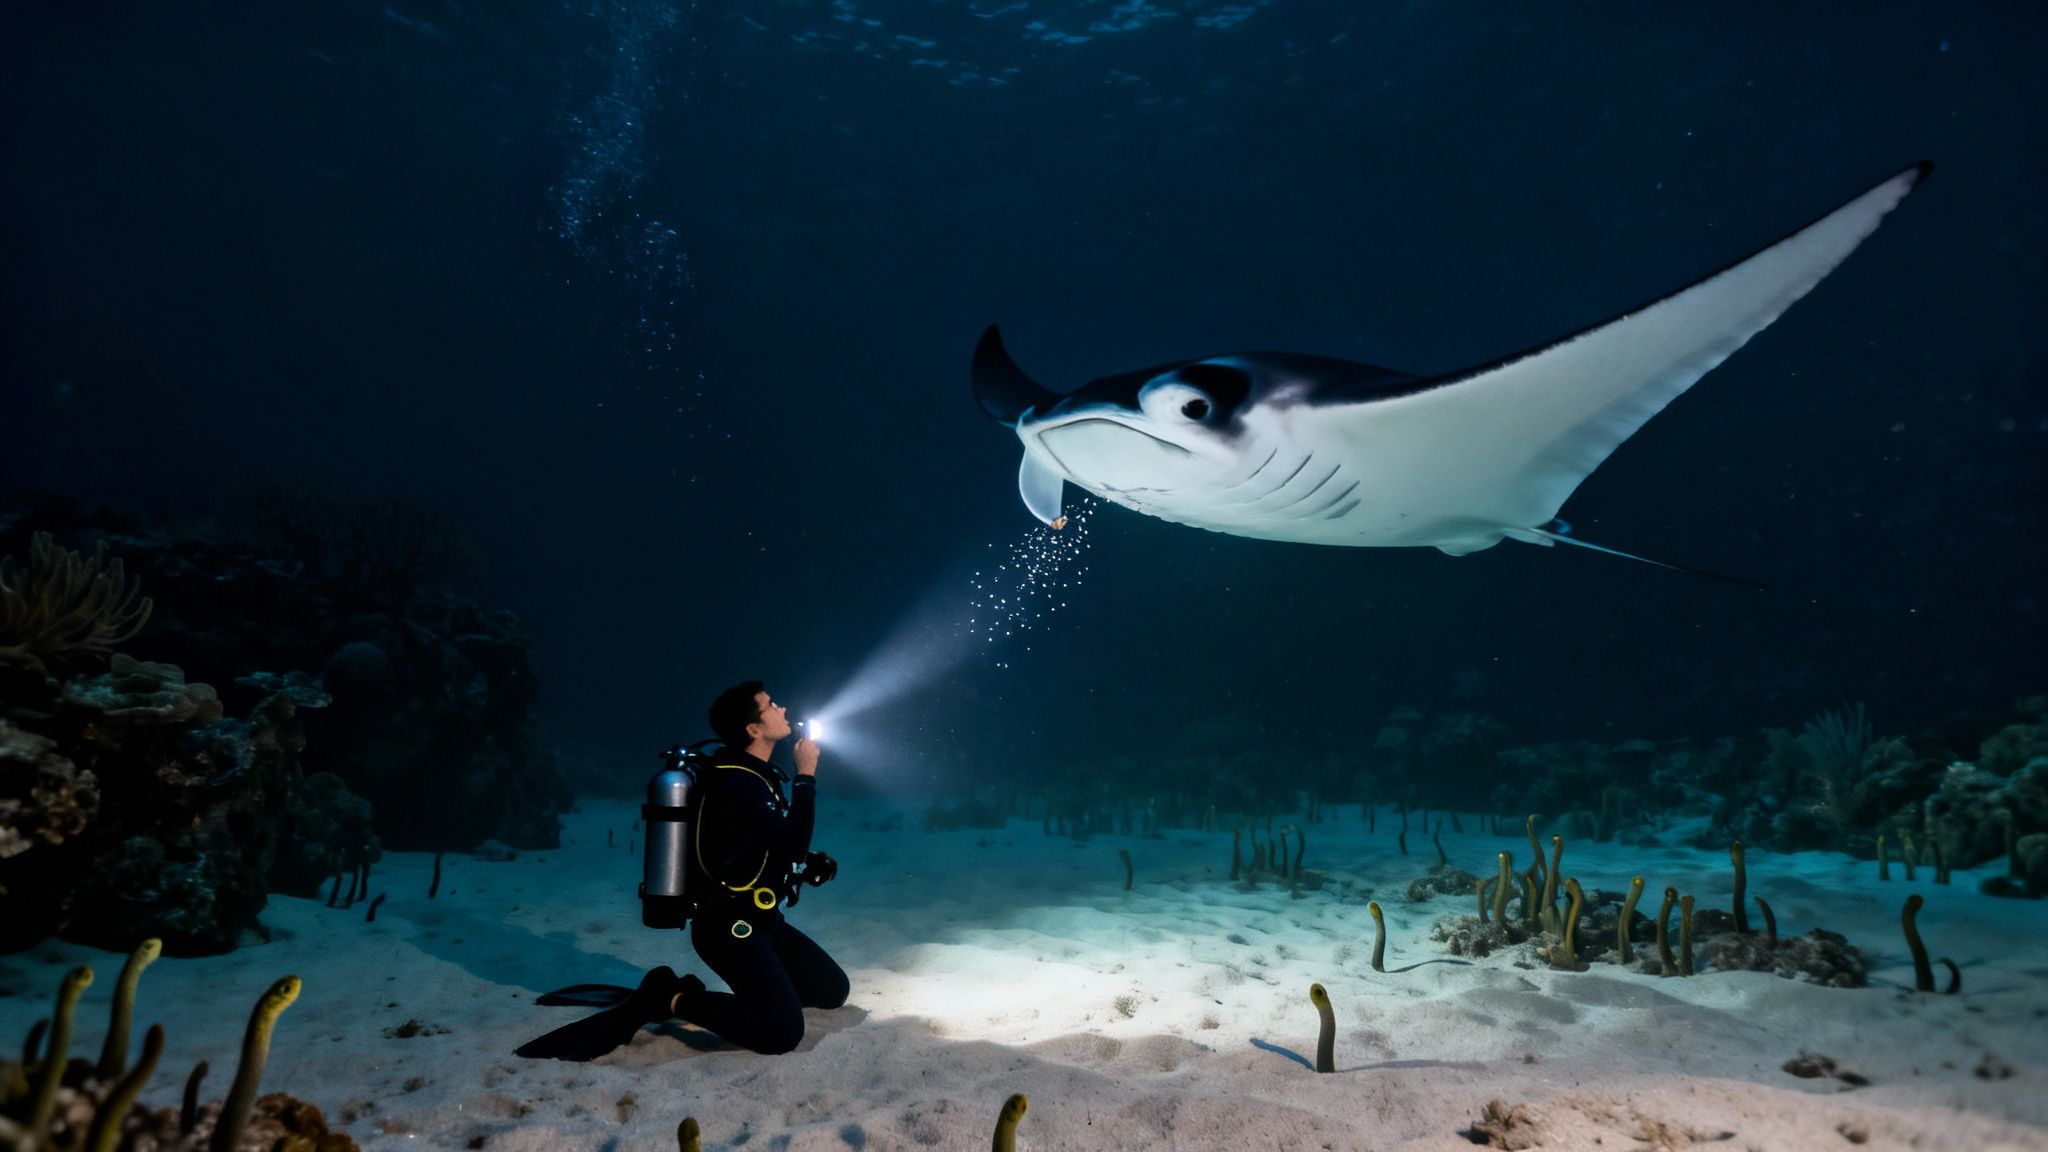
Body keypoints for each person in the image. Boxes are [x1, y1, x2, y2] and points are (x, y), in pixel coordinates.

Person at [517, 681, 848, 1060]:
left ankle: (767, 994)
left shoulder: (755, 776)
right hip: (727, 929)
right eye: (771, 704)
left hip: (762, 919)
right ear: (753, 729)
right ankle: (671, 998)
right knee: (782, 1033)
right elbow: (790, 842)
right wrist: (806, 774)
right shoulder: (738, 781)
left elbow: (761, 846)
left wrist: (806, 863)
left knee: (831, 990)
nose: (782, 708)